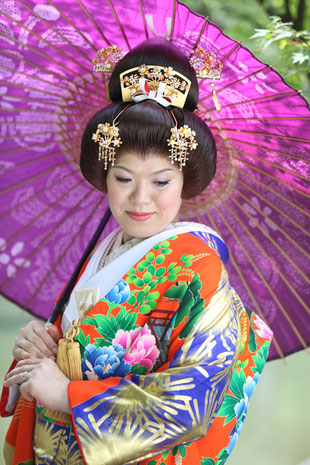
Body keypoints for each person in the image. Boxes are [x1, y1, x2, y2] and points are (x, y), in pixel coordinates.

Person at [1, 38, 273, 465]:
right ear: (104, 176)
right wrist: (43, 347)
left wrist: (66, 393)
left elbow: (191, 402)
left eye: (161, 182)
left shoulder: (197, 266)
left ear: (185, 182)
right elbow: (78, 345)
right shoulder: (105, 252)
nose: (140, 199)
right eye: (123, 178)